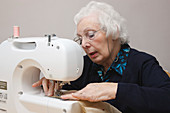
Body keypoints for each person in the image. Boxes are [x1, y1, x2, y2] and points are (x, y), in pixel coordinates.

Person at [32, 1, 170, 113]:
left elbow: (166, 99)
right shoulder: (84, 65)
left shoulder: (142, 63)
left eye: (91, 35)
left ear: (114, 32)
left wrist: (114, 90)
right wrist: (53, 82)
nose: (84, 44)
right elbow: (66, 88)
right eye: (80, 39)